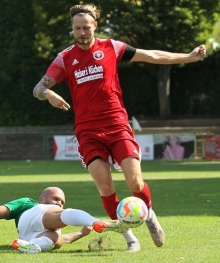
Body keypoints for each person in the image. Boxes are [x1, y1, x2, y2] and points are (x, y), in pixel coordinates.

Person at [33, 4, 206, 252]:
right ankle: (129, 240)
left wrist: (187, 58)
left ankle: (149, 216)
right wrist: (48, 93)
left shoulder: (111, 47)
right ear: (72, 29)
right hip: (88, 132)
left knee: (135, 182)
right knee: (105, 188)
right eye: (76, 28)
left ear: (95, 26)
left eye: (85, 27)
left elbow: (151, 55)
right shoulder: (65, 58)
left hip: (117, 125)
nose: (81, 32)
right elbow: (38, 88)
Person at [0, 187, 128, 254]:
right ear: (42, 200)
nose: (59, 203)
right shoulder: (28, 203)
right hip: (29, 218)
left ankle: (35, 246)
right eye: (56, 199)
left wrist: (81, 234)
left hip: (26, 238)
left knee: (55, 239)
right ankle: (95, 221)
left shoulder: (55, 226)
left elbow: (64, 239)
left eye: (62, 202)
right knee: (62, 214)